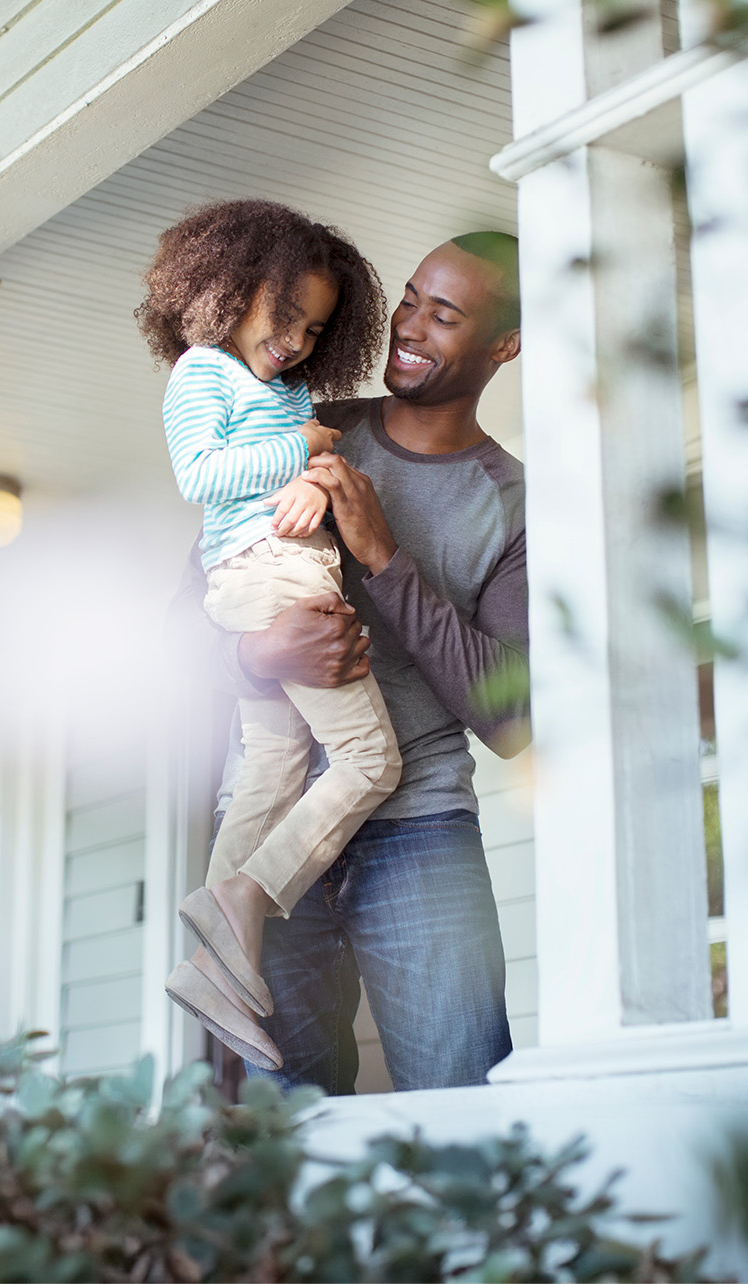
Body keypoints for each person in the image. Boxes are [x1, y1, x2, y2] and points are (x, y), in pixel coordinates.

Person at [174, 231, 528, 1093]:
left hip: (419, 833)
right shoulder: (300, 422)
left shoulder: (512, 503)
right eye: (408, 298)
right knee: (278, 1134)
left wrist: (385, 561)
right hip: (267, 812)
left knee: (459, 1114)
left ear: (502, 346)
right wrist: (256, 657)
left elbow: (514, 720)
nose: (408, 326)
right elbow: (184, 626)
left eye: (442, 316)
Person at [137, 199, 403, 1072]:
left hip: (285, 565)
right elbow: (200, 476)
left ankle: (217, 965)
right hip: (265, 577)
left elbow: (291, 474)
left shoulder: (282, 390)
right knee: (369, 761)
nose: (293, 342)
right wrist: (308, 449)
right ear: (227, 290)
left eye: (313, 328)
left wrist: (318, 473)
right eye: (282, 316)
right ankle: (244, 895)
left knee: (274, 764)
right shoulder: (202, 372)